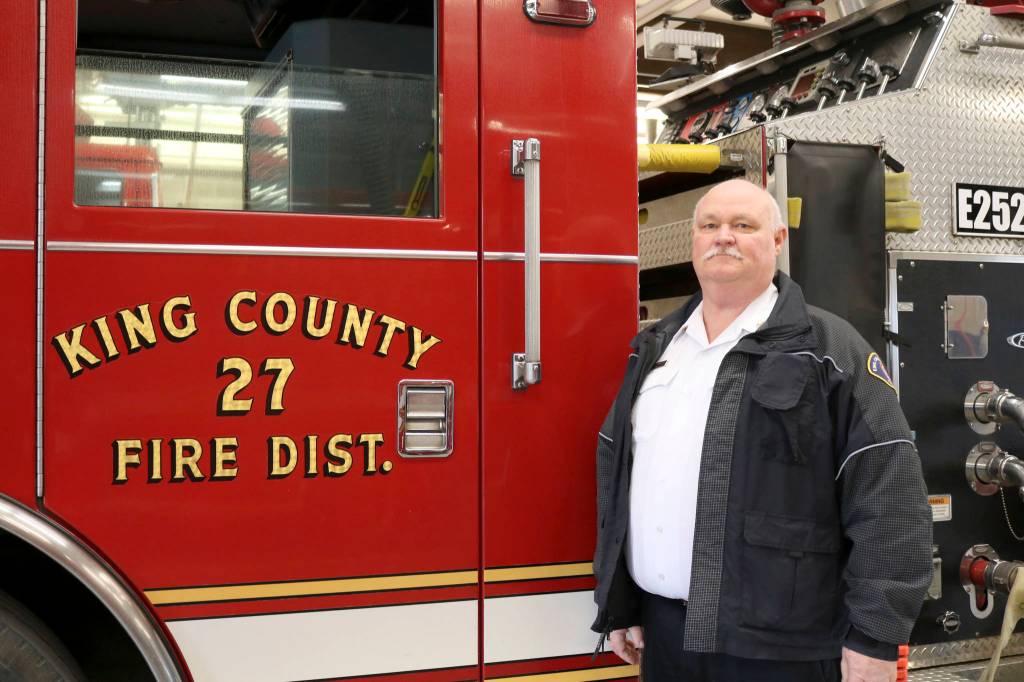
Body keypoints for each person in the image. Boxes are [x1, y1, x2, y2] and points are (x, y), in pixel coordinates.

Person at [592, 179, 932, 682]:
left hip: (781, 648)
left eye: (742, 225)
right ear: (694, 240)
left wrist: (875, 638)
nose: (723, 236)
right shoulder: (656, 347)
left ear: (777, 240)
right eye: (710, 225)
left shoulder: (829, 349)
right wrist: (621, 601)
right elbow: (619, 475)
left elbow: (888, 492)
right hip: (665, 635)